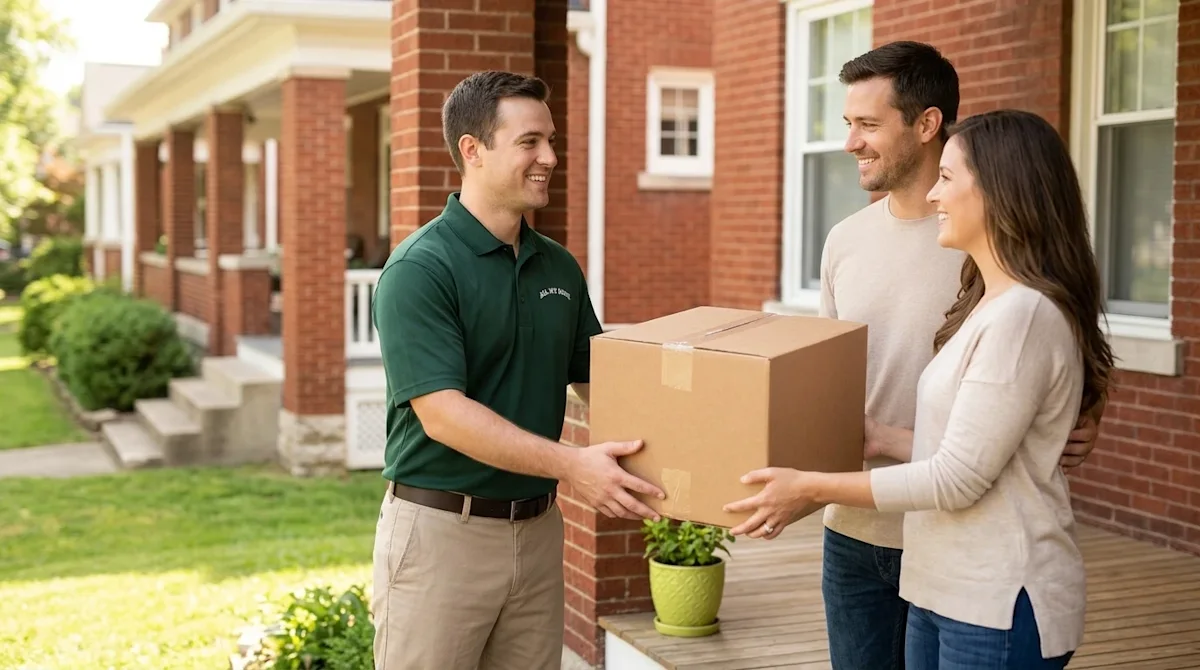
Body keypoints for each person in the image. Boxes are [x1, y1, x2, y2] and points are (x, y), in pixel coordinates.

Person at [733, 42, 1104, 669]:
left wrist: (1081, 409)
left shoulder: (997, 271)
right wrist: (852, 442)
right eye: (847, 123)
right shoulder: (848, 242)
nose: (850, 142)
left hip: (977, 556)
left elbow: (1048, 361)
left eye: (868, 124)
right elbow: (833, 381)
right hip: (867, 532)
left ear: (927, 124)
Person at [369, 70, 666, 670]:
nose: (550, 158)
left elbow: (598, 381)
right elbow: (443, 415)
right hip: (440, 534)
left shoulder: (557, 265)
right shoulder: (420, 269)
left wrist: (706, 427)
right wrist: (573, 466)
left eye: (551, 141)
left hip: (536, 534)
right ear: (472, 151)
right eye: (530, 142)